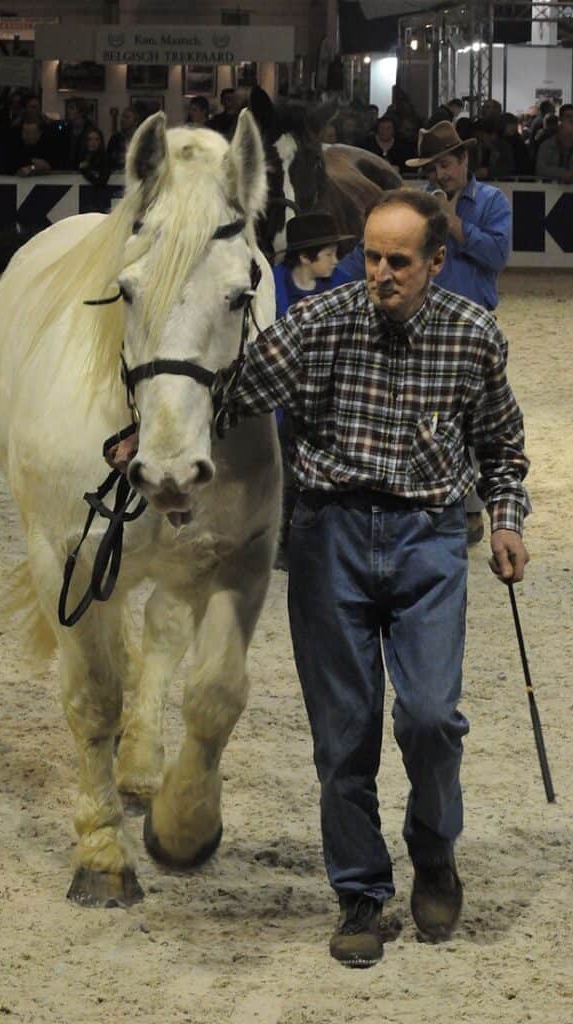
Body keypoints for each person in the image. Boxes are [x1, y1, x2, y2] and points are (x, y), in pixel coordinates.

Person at [227, 188, 530, 967]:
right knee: (343, 735)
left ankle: (433, 852)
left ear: (436, 262)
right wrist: (147, 428)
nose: (380, 273)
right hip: (327, 535)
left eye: (399, 260)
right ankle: (359, 892)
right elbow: (230, 393)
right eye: (371, 256)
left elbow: (501, 446)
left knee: (430, 718)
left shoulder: (472, 336)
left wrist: (504, 519)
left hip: (429, 540)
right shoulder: (318, 324)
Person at [340, 121, 512, 544]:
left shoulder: (491, 202)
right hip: (423, 323)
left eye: (447, 165)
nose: (441, 174)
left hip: (474, 324)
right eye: (434, 167)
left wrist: (455, 226)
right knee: (431, 414)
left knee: (478, 417)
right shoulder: (415, 205)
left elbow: (498, 255)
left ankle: (471, 506)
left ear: (464, 160)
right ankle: (429, 497)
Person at [272, 212, 354, 570]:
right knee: (286, 474)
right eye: (329, 254)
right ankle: (284, 540)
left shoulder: (342, 284)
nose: (336, 261)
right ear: (305, 257)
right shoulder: (272, 286)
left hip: (326, 398)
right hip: (284, 399)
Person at [535, 117, 573, 183]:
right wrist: (563, 173)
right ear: (559, 133)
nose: (571, 139)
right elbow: (540, 169)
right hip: (547, 188)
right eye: (568, 135)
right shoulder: (546, 146)